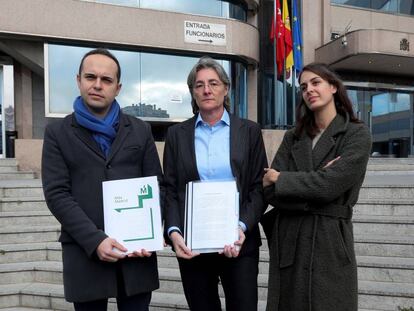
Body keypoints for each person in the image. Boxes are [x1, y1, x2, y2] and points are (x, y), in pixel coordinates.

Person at [41, 48, 162, 311]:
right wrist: (95, 240)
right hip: (85, 254)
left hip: (135, 257)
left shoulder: (140, 130)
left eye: (106, 80)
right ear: (78, 80)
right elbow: (57, 194)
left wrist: (148, 235)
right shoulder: (57, 133)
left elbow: (156, 187)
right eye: (90, 77)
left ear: (118, 88)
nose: (97, 85)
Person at [262, 63, 372, 311]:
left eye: (315, 82)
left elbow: (329, 186)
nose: (308, 90)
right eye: (303, 87)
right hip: (292, 238)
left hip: (330, 240)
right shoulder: (293, 137)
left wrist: (282, 179)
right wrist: (316, 181)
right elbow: (268, 192)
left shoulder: (356, 135)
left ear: (333, 86)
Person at [163, 56, 267, 311]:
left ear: (226, 88)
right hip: (193, 245)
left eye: (213, 83)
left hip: (238, 242)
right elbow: (171, 188)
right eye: (199, 85)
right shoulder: (177, 135)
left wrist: (241, 227)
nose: (206, 90)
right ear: (193, 92)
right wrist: (174, 231)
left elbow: (258, 187)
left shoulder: (250, 131)